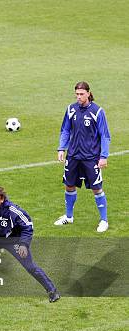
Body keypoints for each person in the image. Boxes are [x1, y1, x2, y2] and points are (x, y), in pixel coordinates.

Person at [0, 186, 60, 302]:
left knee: (30, 267)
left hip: (14, 241)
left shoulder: (13, 211)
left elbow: (27, 226)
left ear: (2, 199)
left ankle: (52, 290)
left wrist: (23, 244)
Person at [54, 81, 111, 233]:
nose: (79, 97)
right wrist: (61, 148)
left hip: (91, 157)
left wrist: (103, 156)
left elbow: (105, 136)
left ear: (88, 93)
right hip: (73, 155)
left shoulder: (97, 111)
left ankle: (104, 220)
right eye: (77, 94)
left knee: (96, 188)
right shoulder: (70, 109)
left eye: (81, 94)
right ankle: (69, 216)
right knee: (69, 185)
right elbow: (65, 130)